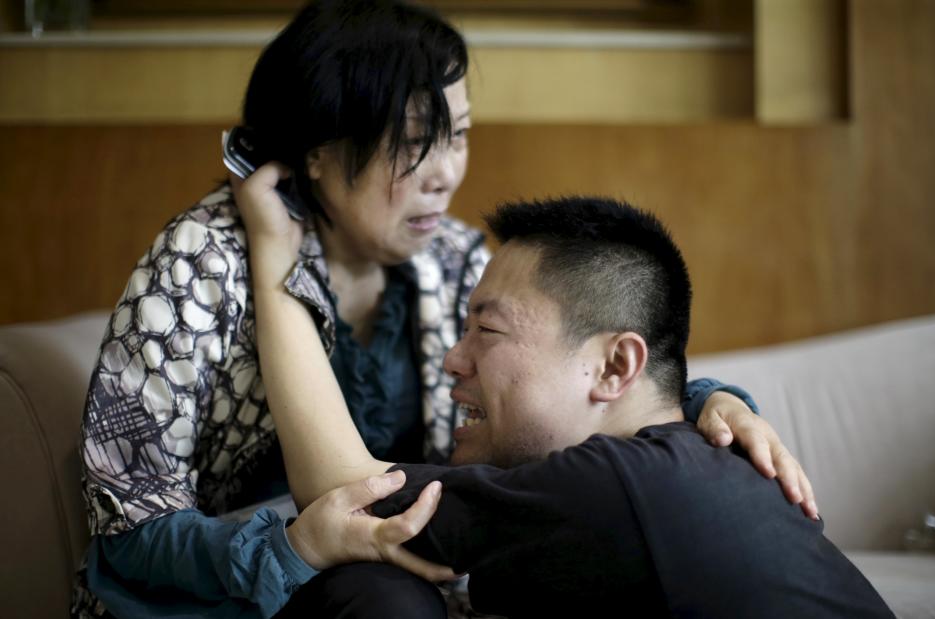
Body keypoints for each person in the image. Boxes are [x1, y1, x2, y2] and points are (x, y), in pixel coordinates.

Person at [75, 1, 813, 617]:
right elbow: (125, 529)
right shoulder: (200, 261)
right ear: (317, 153)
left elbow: (581, 377)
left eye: (456, 136)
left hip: (416, 564)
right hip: (240, 587)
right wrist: (289, 548)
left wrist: (711, 401)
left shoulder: (455, 258)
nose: (445, 174)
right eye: (413, 144)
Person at [244, 196, 892, 618]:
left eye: (487, 331)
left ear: (614, 366)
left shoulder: (616, 483)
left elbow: (343, 495)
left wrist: (275, 271)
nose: (452, 359)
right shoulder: (685, 462)